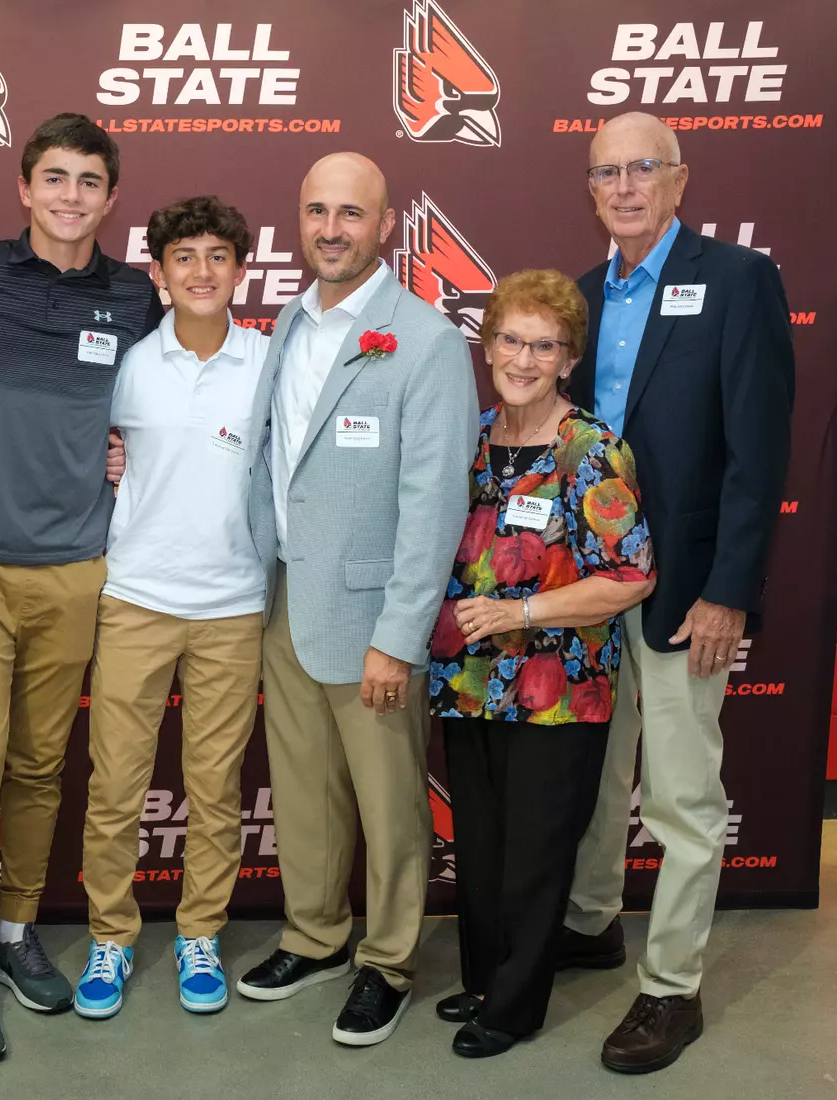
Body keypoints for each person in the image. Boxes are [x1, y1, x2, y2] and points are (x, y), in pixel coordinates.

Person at [0, 112, 164, 1062]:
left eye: (88, 181)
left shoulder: (137, 297)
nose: (70, 196)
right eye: (53, 178)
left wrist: (122, 447)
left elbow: (170, 402)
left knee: (38, 767)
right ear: (24, 187)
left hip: (74, 566)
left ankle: (16, 934)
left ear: (110, 195)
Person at [559, 112, 794, 1074]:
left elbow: (758, 452)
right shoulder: (578, 297)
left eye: (642, 169)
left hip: (687, 589)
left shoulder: (738, 282)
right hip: (588, 586)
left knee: (686, 797)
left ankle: (672, 989)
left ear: (679, 180)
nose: (624, 187)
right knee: (597, 774)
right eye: (606, 171)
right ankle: (588, 924)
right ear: (591, 186)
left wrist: (729, 590)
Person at [233, 152, 478, 1047]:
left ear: (385, 226)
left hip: (375, 615)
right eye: (315, 211)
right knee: (304, 794)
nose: (331, 229)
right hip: (287, 598)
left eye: (350, 213)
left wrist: (399, 636)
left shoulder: (427, 339)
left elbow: (435, 500)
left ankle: (387, 961)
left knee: (387, 805)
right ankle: (316, 937)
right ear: (298, 220)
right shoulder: (287, 326)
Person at [427, 270, 656, 1059]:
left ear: (568, 359)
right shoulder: (472, 436)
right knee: (482, 845)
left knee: (533, 851)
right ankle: (487, 977)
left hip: (558, 690)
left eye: (544, 345)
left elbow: (630, 575)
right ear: (486, 345)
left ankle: (517, 1006)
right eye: (510, 340)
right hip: (466, 682)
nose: (524, 357)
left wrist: (521, 613)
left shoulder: (590, 448)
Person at [74, 196, 268, 1019]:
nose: (200, 271)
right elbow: (75, 447)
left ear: (240, 270)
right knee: (115, 784)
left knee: (215, 788)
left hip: (234, 604)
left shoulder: (271, 360)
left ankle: (200, 933)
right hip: (137, 598)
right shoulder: (124, 361)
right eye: (182, 256)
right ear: (156, 272)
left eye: (217, 256)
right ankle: (111, 939)